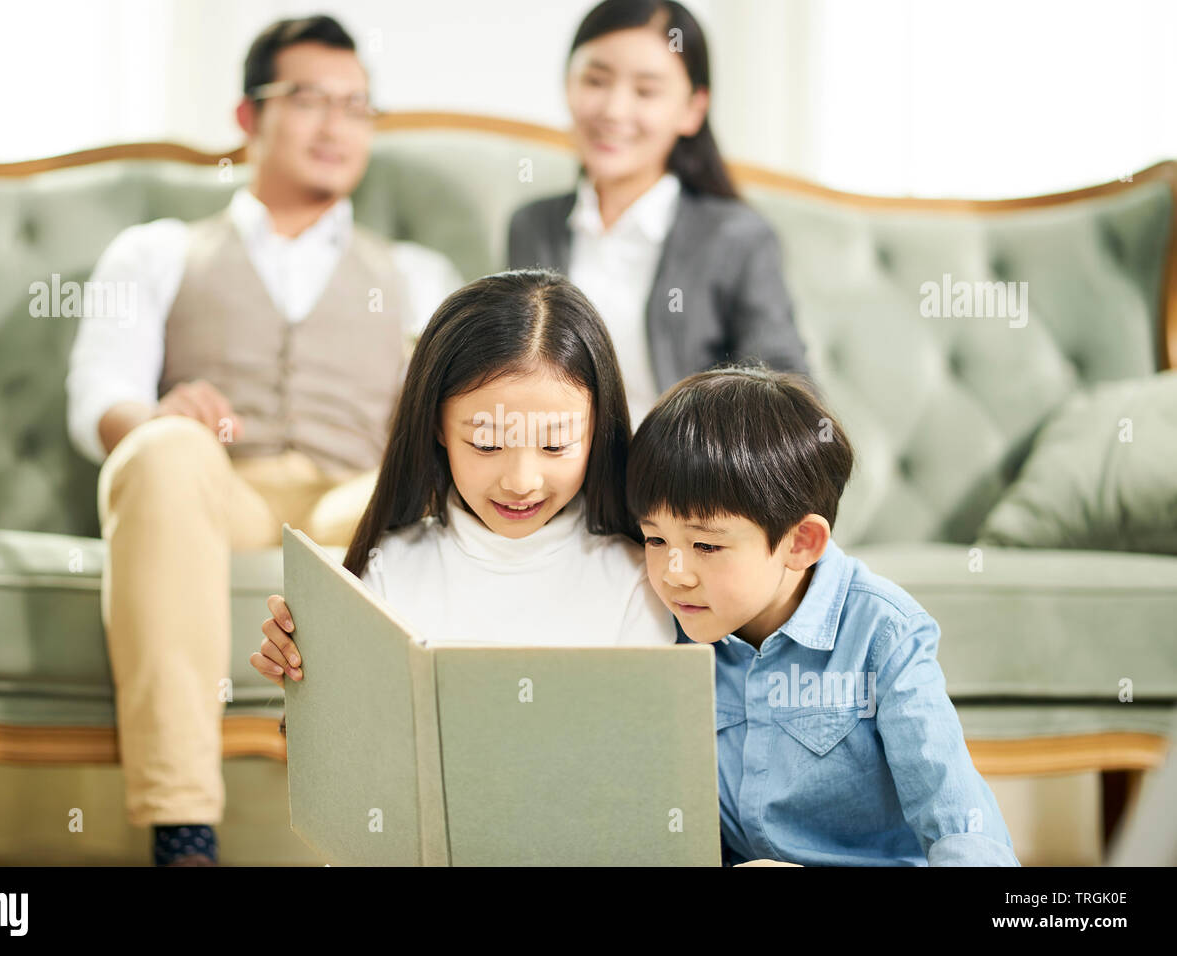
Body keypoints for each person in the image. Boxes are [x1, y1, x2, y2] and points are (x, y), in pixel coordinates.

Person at [64, 15, 460, 866]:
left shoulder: (419, 275)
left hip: (354, 498)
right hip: (225, 497)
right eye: (310, 99)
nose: (336, 125)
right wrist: (164, 416)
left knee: (439, 474)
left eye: (357, 106)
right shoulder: (158, 252)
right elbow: (98, 397)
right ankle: (183, 829)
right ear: (248, 118)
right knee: (161, 448)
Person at [627, 365, 1020, 866]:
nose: (674, 573)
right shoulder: (664, 625)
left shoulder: (883, 633)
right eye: (656, 539)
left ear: (800, 542)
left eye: (705, 544)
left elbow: (961, 824)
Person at [252, 270, 675, 694]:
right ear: (437, 426)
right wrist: (308, 677)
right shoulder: (388, 571)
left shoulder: (636, 578)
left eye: (555, 446)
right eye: (487, 445)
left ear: (597, 430)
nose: (521, 482)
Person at [509, 0, 809, 426]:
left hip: (680, 483)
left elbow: (788, 394)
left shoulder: (736, 237)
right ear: (568, 86)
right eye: (596, 80)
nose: (614, 110)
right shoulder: (532, 226)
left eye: (646, 91)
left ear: (692, 110)